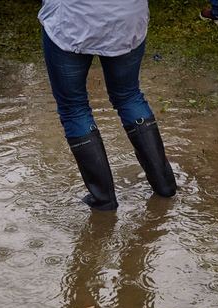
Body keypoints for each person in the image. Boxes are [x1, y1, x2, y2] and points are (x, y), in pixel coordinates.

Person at [38, 0, 177, 211]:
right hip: (126, 17)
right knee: (129, 96)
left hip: (72, 19)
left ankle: (104, 200)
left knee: (74, 109)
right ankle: (165, 185)